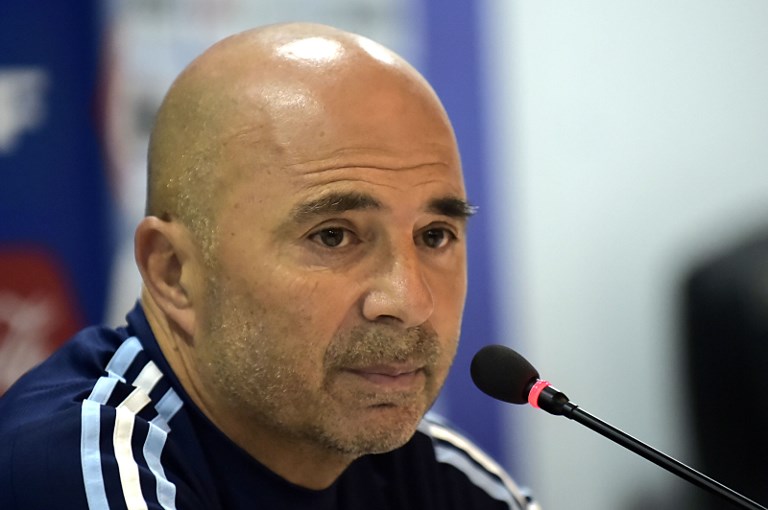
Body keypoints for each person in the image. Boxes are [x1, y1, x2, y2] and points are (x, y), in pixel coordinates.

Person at [0, 22, 537, 509]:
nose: (411, 301)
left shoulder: (439, 476)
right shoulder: (84, 469)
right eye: (333, 236)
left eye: (435, 235)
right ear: (173, 273)